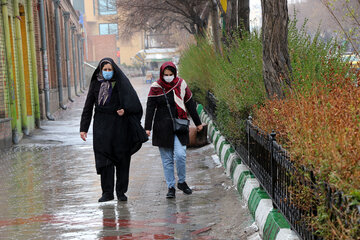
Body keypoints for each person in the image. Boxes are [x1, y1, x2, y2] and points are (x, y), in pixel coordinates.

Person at [80, 58, 147, 202]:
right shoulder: (95, 84)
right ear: (100, 70)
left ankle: (121, 192)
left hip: (119, 126)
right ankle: (107, 192)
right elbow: (88, 107)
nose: (107, 72)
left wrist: (125, 110)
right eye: (105, 70)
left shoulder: (121, 83)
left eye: (110, 70)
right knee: (104, 160)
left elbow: (133, 103)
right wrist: (83, 128)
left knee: (122, 159)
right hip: (101, 127)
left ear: (114, 70)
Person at [145, 62, 203, 198]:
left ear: (175, 74)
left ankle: (182, 182)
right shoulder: (155, 88)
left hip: (179, 126)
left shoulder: (181, 84)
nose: (168, 77)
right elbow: (150, 108)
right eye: (166, 75)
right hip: (162, 128)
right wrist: (147, 127)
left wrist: (198, 123)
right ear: (161, 74)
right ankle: (171, 187)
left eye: (171, 75)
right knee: (167, 160)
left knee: (180, 155)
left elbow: (190, 104)